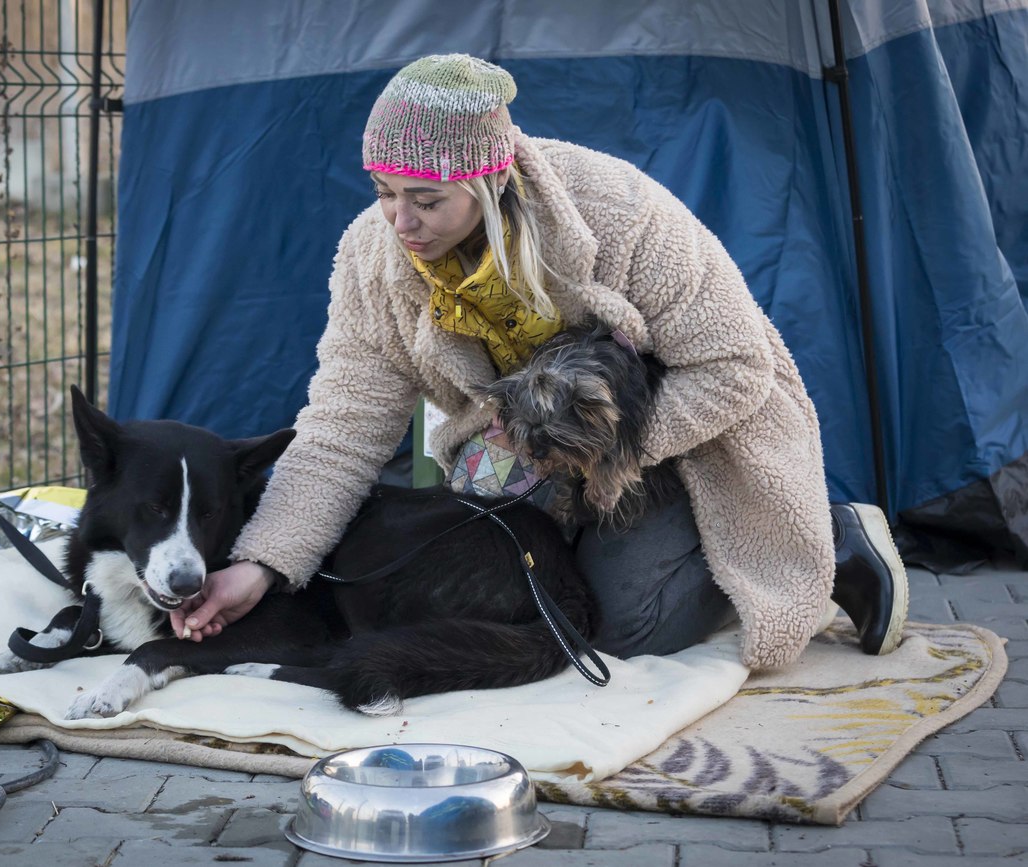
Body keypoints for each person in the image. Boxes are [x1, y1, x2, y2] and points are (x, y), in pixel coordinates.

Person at [170, 54, 907, 671]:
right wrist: (264, 563)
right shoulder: (374, 256)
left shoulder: (619, 210)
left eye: (425, 199)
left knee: (626, 630)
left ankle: (826, 537)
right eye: (385, 192)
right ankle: (581, 529)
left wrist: (586, 452)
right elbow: (341, 427)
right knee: (537, 606)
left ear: (488, 182)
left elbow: (736, 367)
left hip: (674, 438)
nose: (400, 222)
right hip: (511, 443)